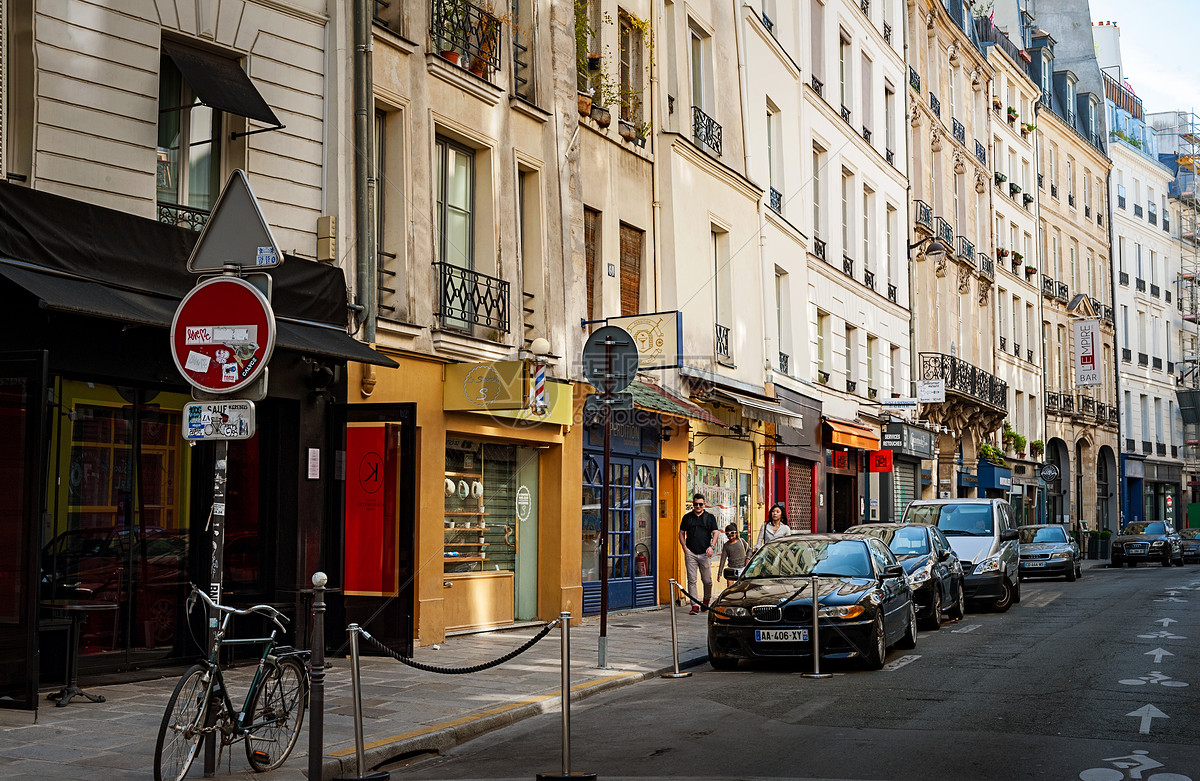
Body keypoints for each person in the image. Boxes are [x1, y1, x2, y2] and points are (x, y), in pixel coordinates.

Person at [679, 493, 720, 614]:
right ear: (693, 504)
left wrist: (712, 547)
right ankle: (695, 605)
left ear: (704, 504)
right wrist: (684, 547)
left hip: (704, 553)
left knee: (707, 580)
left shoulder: (709, 517)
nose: (698, 506)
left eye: (700, 504)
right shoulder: (687, 517)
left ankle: (706, 600)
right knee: (692, 580)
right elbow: (681, 532)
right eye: (696, 504)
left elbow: (716, 533)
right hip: (690, 552)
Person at [717, 524, 751, 588]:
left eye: (732, 535)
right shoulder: (726, 545)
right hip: (731, 568)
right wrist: (719, 573)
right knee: (730, 587)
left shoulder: (741, 541)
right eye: (729, 536)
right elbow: (723, 559)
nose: (731, 538)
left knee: (742, 587)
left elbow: (749, 550)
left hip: (742, 568)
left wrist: (748, 558)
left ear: (736, 533)